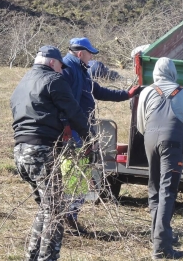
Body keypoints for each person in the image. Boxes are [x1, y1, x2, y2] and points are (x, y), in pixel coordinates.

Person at [11, 45, 92, 261]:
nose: (60, 70)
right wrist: (89, 137)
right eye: (59, 66)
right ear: (52, 63)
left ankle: (32, 256)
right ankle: (47, 258)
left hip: (20, 152)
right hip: (41, 151)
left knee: (47, 208)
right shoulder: (54, 80)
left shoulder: (23, 82)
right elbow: (73, 110)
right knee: (56, 211)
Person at [60, 37, 143, 234]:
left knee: (82, 171)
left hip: (82, 131)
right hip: (74, 132)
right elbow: (66, 104)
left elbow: (97, 91)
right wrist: (69, 130)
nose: (91, 58)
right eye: (90, 54)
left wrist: (126, 94)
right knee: (74, 172)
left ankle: (71, 214)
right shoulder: (69, 70)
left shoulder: (82, 70)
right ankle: (68, 215)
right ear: (81, 53)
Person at [136, 57, 183, 260]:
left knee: (154, 187)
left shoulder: (147, 91)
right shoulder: (182, 92)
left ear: (156, 72)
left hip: (149, 138)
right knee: (168, 190)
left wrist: (153, 136)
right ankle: (161, 248)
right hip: (172, 140)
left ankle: (159, 235)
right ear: (173, 72)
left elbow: (140, 123)